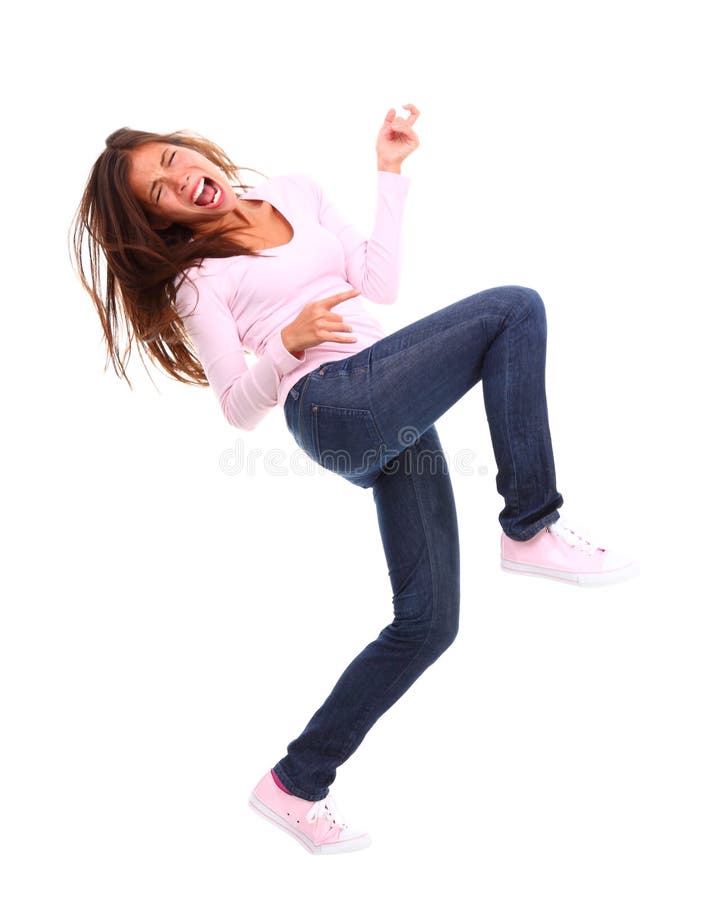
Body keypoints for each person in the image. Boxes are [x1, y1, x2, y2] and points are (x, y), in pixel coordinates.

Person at [70, 104, 639, 855]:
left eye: (173, 160)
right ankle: (529, 524)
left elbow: (380, 282)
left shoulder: (297, 191)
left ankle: (294, 783)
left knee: (428, 624)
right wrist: (287, 344)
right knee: (514, 309)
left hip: (388, 397)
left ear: (193, 148)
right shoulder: (195, 280)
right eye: (160, 192)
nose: (182, 181)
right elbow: (238, 408)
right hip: (329, 406)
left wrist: (389, 171)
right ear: (159, 220)